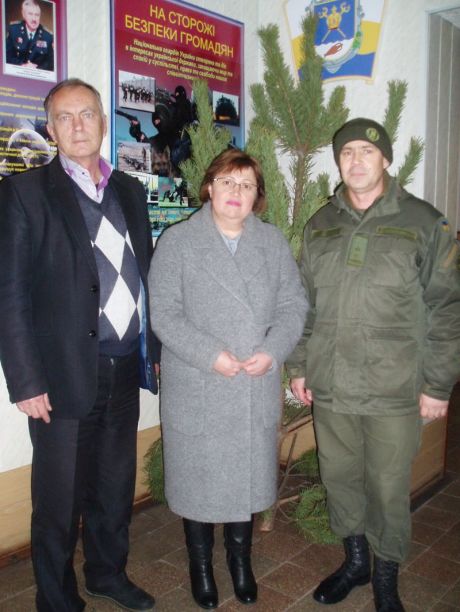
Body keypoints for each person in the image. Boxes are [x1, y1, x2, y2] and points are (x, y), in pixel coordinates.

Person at [287, 118, 460, 612]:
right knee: (340, 478)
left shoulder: (425, 223)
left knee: (387, 488)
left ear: (385, 159)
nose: (356, 160)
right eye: (347, 152)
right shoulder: (321, 225)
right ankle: (356, 561)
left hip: (394, 387)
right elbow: (304, 305)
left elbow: (447, 308)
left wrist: (439, 384)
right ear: (338, 161)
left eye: (367, 151)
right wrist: (299, 365)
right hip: (332, 384)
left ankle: (386, 575)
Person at [0, 78, 160, 612]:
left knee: (114, 488)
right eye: (64, 117)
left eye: (86, 114)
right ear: (51, 129)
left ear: (103, 122)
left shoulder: (129, 191)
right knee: (58, 502)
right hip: (62, 376)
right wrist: (25, 381)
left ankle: (107, 575)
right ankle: (58, 599)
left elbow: (144, 276)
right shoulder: (24, 193)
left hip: (123, 369)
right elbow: (9, 294)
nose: (77, 125)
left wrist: (154, 352)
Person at [148, 149, 308, 609]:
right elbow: (165, 314)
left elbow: (293, 305)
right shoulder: (178, 242)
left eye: (246, 185)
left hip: (253, 384)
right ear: (209, 187)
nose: (236, 192)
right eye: (227, 182)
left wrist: (272, 351)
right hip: (199, 382)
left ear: (257, 195)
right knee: (197, 483)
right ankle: (200, 566)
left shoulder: (272, 243)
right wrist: (210, 354)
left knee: (245, 481)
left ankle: (241, 563)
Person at [6, 0, 54, 70]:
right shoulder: (14, 30)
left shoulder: (48, 37)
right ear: (23, 14)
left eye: (37, 15)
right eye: (30, 14)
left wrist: (37, 69)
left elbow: (50, 63)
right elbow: (7, 56)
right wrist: (22, 65)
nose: (34, 19)